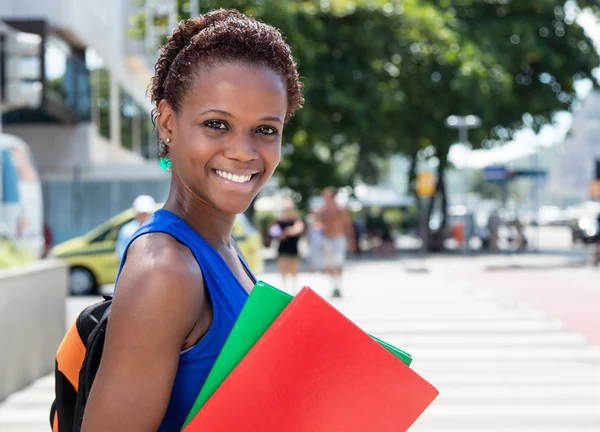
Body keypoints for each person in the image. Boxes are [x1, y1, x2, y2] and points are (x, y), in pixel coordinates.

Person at [82, 9, 303, 431]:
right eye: (216, 124)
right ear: (168, 123)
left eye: (265, 130)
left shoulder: (221, 247)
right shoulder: (165, 268)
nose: (243, 151)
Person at [316, 187, 356, 298]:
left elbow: (348, 225)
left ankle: (339, 286)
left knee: (338, 263)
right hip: (327, 239)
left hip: (339, 238)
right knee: (329, 264)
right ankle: (334, 286)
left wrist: (352, 240)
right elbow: (317, 224)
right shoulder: (322, 211)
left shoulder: (341, 210)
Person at [270, 198, 304, 293]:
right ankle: (284, 287)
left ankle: (294, 287)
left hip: (293, 248)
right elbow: (272, 231)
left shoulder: (295, 220)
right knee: (283, 267)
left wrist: (287, 232)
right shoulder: (278, 220)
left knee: (294, 268)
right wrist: (280, 234)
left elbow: (299, 228)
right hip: (283, 248)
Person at [114, 195, 156, 261]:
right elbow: (120, 255)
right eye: (142, 213)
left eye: (146, 213)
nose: (145, 216)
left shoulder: (157, 228)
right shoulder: (127, 231)